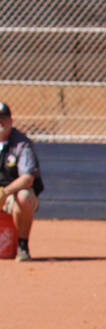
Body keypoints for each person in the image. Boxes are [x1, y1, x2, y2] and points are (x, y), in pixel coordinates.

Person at [0, 102, 44, 262]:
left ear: (11, 121)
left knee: (24, 196)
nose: (0, 122)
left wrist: (5, 193)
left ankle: (22, 245)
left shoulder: (21, 144)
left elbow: (27, 178)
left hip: (12, 195)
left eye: (3, 119)